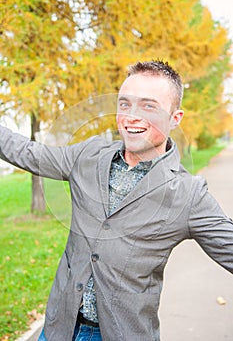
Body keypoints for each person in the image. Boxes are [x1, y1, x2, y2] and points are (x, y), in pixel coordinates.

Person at [0, 60, 233, 341]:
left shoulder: (188, 194)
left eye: (149, 106)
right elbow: (27, 151)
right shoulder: (88, 155)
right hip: (58, 329)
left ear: (175, 118)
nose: (132, 116)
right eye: (125, 104)